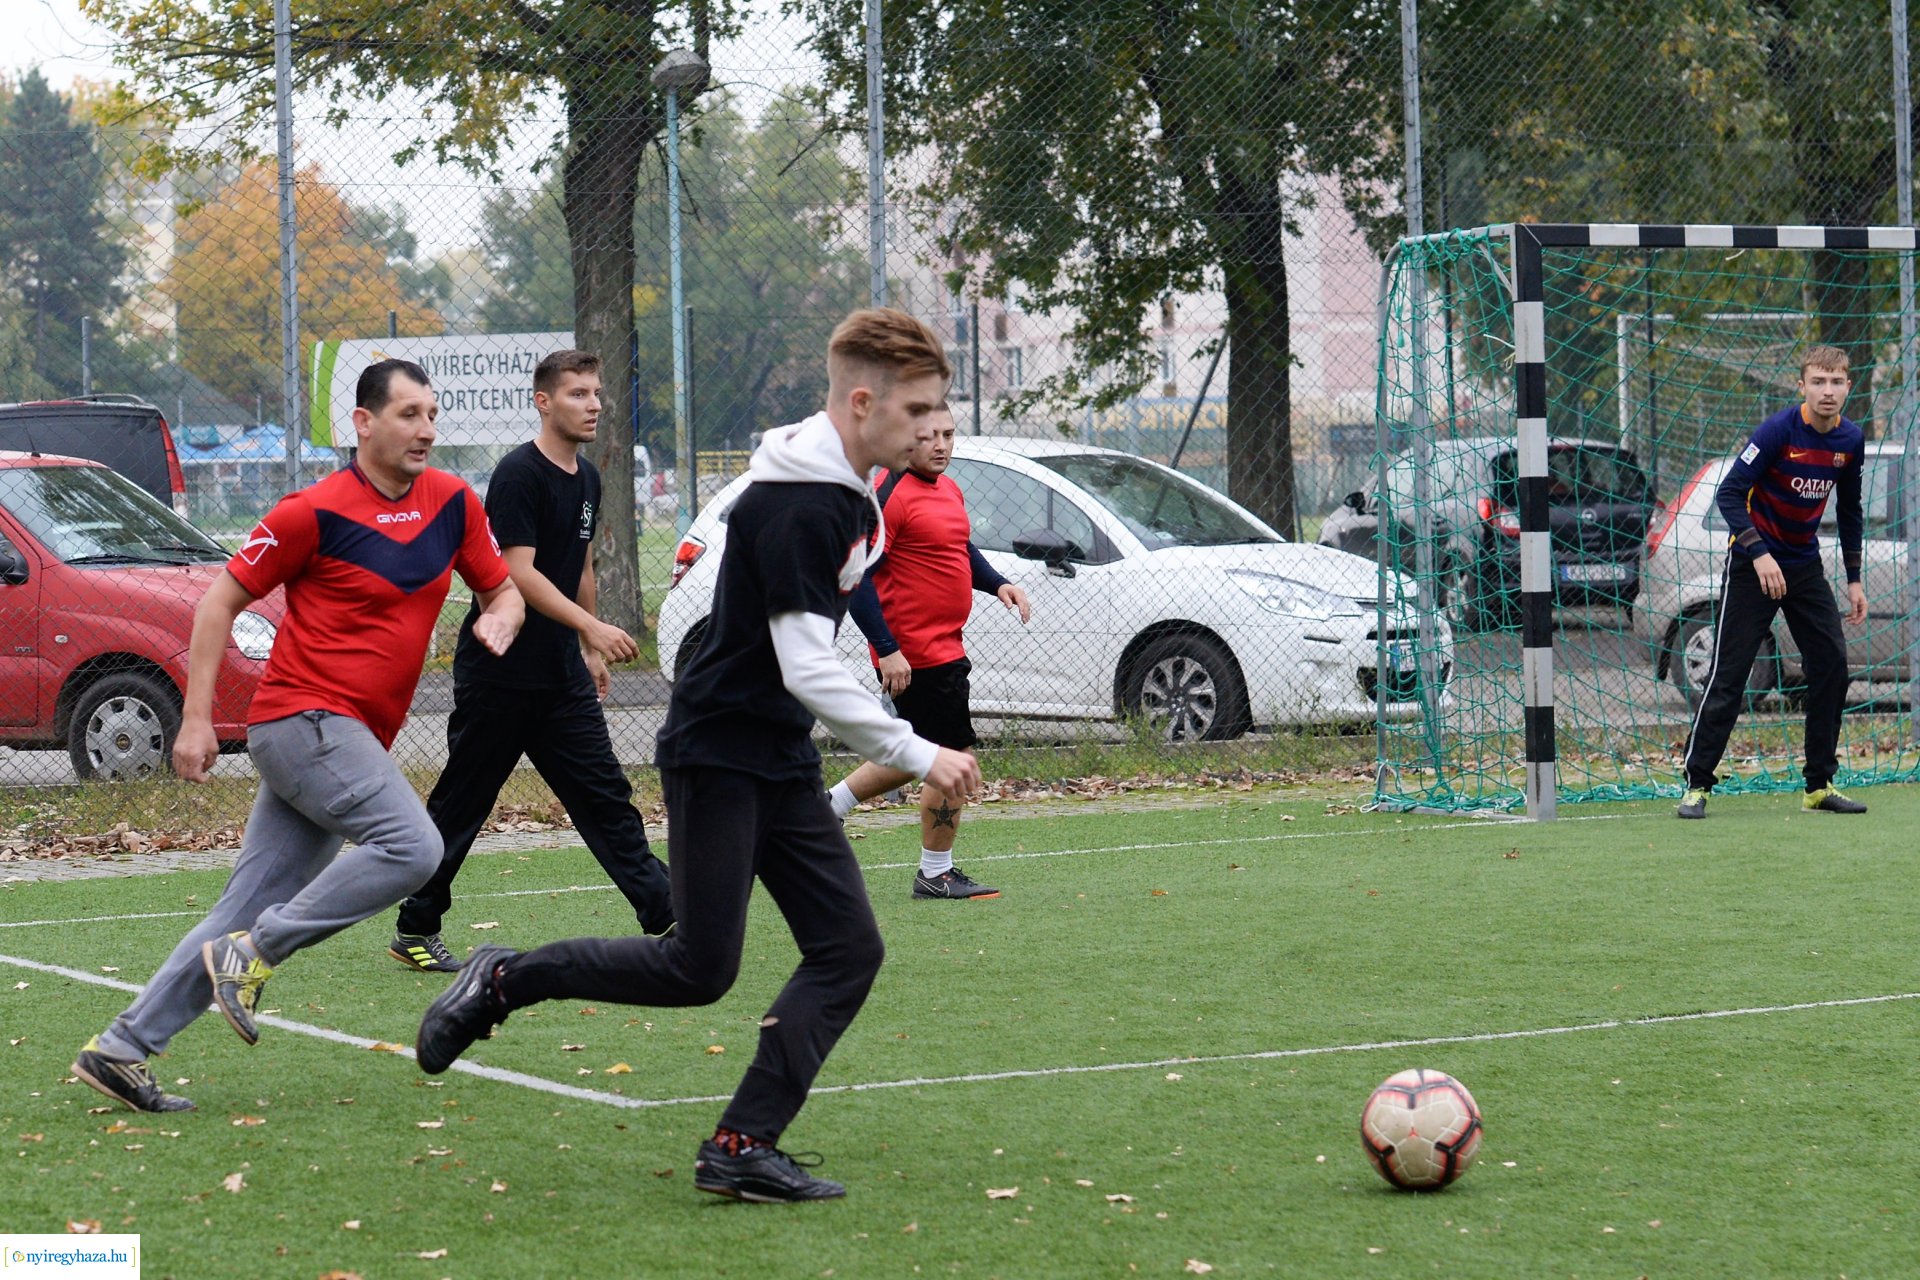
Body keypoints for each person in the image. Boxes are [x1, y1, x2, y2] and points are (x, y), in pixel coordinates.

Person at [414, 307, 982, 1203]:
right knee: (698, 967)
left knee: (846, 949)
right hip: (719, 749)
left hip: (776, 751)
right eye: (919, 412)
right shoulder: (807, 501)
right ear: (865, 404)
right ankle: (503, 980)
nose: (934, 430)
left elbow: (802, 655)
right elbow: (803, 662)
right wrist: (917, 750)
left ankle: (743, 1142)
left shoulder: (839, 480)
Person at [71, 359, 523, 1114]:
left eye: (432, 414)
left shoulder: (452, 502)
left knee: (234, 915)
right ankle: (258, 954)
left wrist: (499, 618)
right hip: (301, 722)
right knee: (414, 848)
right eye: (409, 414)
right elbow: (217, 603)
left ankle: (120, 1048)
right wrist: (194, 719)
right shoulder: (307, 513)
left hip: (346, 739)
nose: (427, 430)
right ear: (363, 423)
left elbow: (499, 587)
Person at [388, 349, 673, 973]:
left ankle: (668, 914)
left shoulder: (590, 478)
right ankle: (415, 925)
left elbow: (582, 566)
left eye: (596, 393)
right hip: (500, 670)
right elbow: (517, 573)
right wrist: (593, 625)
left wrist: (587, 647)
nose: (593, 404)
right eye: (577, 394)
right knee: (463, 803)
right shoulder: (518, 474)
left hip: (560, 675)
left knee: (605, 797)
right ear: (544, 402)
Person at [825, 405, 1030, 898]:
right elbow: (857, 578)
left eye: (948, 434)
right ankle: (935, 872)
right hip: (916, 656)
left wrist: (997, 584)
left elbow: (960, 549)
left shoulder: (949, 489)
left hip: (946, 648)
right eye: (928, 436)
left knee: (921, 749)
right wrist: (888, 649)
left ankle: (826, 805)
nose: (941, 444)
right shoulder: (889, 496)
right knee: (950, 757)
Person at [1677, 344, 1868, 820]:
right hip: (1751, 566)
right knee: (1730, 674)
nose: (1828, 391)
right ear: (1802, 385)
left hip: (1804, 567)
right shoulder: (1778, 430)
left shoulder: (1850, 441)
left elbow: (1849, 511)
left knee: (1832, 665)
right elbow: (1730, 493)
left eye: (1837, 382)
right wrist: (1759, 554)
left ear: (1849, 386)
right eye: (1818, 382)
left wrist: (1855, 580)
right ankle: (1697, 785)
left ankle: (1819, 785)